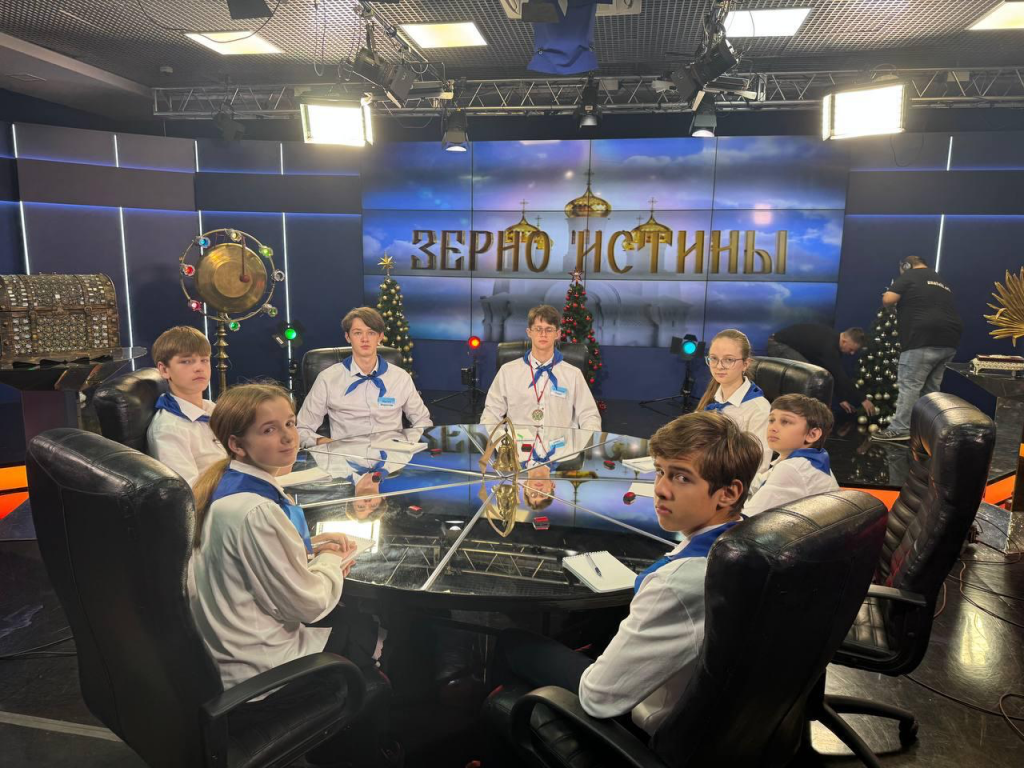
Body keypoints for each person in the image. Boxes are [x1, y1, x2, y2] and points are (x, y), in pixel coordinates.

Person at [489, 411, 762, 735]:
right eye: (660, 471)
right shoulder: (752, 540)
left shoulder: (675, 583)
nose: (661, 489)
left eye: (682, 478)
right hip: (727, 722)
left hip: (653, 729)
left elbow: (598, 697)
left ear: (728, 493)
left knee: (511, 641)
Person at [189, 382, 394, 766]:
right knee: (372, 630)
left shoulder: (226, 487)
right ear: (236, 444)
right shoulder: (255, 510)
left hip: (225, 656)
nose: (288, 437)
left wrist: (307, 546)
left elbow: (246, 559)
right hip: (259, 680)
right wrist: (332, 560)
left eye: (290, 423)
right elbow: (310, 604)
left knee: (354, 623)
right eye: (269, 429)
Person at [297, 307, 432, 446]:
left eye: (371, 333)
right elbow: (302, 429)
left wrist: (409, 444)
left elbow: (422, 420)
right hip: (347, 454)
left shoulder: (401, 378)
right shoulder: (327, 379)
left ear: (380, 337)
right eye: (358, 333)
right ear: (347, 337)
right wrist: (326, 443)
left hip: (393, 454)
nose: (365, 339)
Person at [873, 255, 962, 441]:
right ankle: (925, 430)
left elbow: (888, 299)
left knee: (910, 386)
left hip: (922, 338)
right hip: (949, 339)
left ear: (906, 265)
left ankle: (900, 429)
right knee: (931, 389)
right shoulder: (939, 280)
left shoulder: (910, 275)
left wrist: (890, 302)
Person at [481, 305, 601, 431]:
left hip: (561, 443)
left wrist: (584, 441)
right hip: (518, 443)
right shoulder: (507, 372)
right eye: (538, 329)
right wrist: (501, 441)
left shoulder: (573, 374)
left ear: (557, 334)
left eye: (549, 329)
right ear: (529, 332)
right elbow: (491, 414)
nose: (543, 334)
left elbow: (590, 416)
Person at [147, 325, 222, 487]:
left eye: (204, 360)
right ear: (164, 370)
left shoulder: (212, 408)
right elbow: (190, 491)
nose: (199, 368)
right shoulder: (169, 429)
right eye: (186, 361)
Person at [743, 394, 840, 517]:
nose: (773, 428)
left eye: (785, 422)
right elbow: (757, 482)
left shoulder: (793, 469)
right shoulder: (807, 462)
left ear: (812, 435)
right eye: (771, 420)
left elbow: (746, 519)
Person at [696, 329, 771, 471]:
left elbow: (759, 468)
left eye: (729, 360)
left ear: (746, 364)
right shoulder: (712, 397)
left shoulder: (759, 410)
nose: (719, 366)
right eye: (714, 358)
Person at [766, 323, 877, 417]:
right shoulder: (829, 346)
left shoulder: (832, 341)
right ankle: (799, 414)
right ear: (844, 341)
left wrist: (841, 399)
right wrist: (863, 399)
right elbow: (840, 377)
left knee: (812, 371)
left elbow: (833, 372)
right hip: (777, 344)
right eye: (851, 349)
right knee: (807, 375)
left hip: (784, 344)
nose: (852, 353)